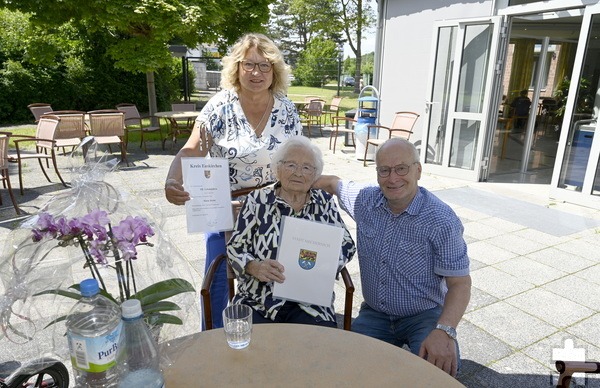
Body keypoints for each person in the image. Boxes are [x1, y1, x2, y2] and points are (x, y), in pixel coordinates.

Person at [164, 33, 303, 329]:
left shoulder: (286, 109)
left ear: (275, 71)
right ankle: (211, 341)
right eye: (249, 64)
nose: (256, 73)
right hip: (224, 206)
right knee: (216, 279)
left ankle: (273, 337)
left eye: (265, 66)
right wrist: (172, 179)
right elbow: (192, 148)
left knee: (276, 278)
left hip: (272, 208)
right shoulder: (219, 107)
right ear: (236, 68)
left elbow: (298, 158)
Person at [313, 138, 471, 377]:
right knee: (344, 368)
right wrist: (290, 183)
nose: (393, 178)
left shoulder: (441, 221)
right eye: (384, 170)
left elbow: (460, 283)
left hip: (423, 314)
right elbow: (333, 184)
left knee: (438, 374)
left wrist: (445, 330)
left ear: (418, 170)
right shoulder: (365, 200)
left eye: (401, 168)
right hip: (375, 313)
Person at [227, 136, 356, 327]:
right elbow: (235, 247)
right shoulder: (257, 200)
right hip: (259, 298)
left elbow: (346, 243)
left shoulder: (324, 202)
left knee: (317, 347)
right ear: (278, 169)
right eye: (291, 165)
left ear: (315, 174)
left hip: (311, 302)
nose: (298, 173)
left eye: (306, 167)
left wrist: (325, 264)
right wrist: (254, 266)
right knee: (250, 349)